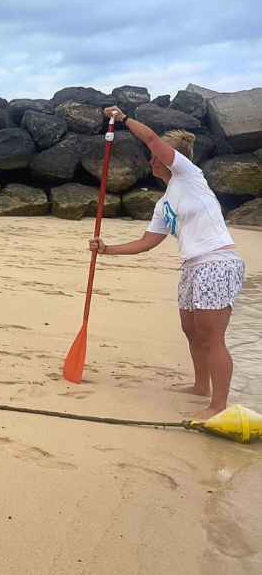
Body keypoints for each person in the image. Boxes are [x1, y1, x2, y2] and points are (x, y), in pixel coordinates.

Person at [89, 106, 244, 420]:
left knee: (211, 336)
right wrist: (106, 249)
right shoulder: (164, 204)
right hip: (191, 266)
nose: (152, 158)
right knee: (191, 330)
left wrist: (121, 118)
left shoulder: (190, 176)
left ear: (175, 157)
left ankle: (218, 406)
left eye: (158, 154)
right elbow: (146, 243)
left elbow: (149, 137)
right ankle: (201, 387)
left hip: (217, 261)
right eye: (154, 155)